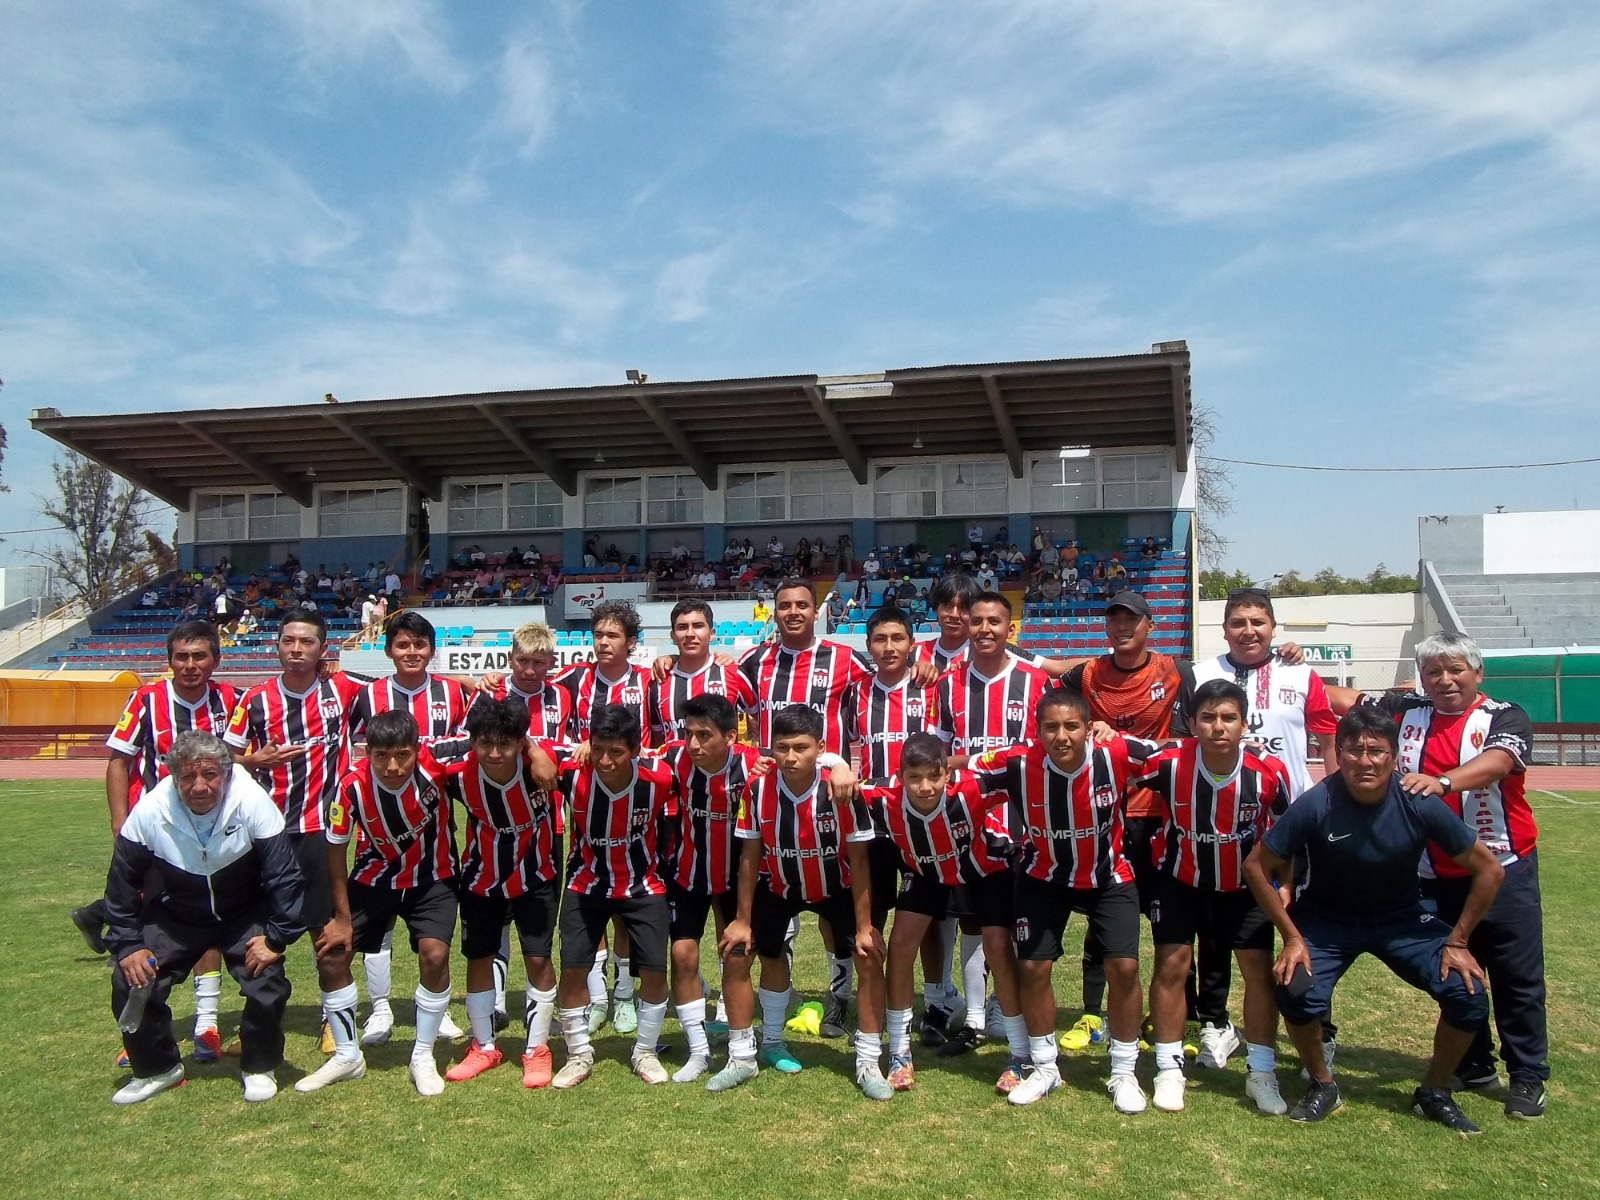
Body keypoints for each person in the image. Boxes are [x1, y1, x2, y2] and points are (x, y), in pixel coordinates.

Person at [1242, 707, 1505, 1131]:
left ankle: (1434, 1092)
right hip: (1328, 921)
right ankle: (1324, 1085)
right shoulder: (1318, 802)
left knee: (1468, 994)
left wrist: (1457, 942)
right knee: (1296, 990)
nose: (1365, 761)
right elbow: (1256, 865)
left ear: (1395, 755)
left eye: (1376, 751)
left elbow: (1490, 870)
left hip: (1402, 919)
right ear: (1339, 754)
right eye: (1354, 750)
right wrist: (1291, 936)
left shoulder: (1418, 800)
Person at [1344, 631, 1548, 1118]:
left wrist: (1444, 782)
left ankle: (1527, 1075)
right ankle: (1474, 1063)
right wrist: (1290, 660)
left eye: (1456, 669)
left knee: (1515, 976)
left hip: (1501, 866)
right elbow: (1343, 698)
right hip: (1430, 873)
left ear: (1477, 674)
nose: (1445, 679)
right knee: (1453, 969)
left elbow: (1499, 762)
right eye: (1434, 671)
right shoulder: (1407, 709)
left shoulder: (1504, 715)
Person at [971, 686, 1160, 1110]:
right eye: (1051, 727)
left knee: (1125, 967)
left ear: (1089, 729)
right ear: (1036, 731)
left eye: (1072, 726)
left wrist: (1243, 744)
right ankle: (1044, 1067)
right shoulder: (1017, 761)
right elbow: (954, 769)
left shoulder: (1116, 753)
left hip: (1108, 875)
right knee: (1034, 968)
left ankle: (1124, 1072)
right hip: (1044, 874)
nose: (1062, 736)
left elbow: (1175, 752)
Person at [71, 620, 239, 1065]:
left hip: (213, 833)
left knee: (210, 922)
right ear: (170, 661)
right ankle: (140, 1028)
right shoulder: (146, 700)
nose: (190, 665)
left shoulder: (232, 701)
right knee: (145, 933)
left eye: (199, 656)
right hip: (157, 838)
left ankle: (207, 1026)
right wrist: (119, 824)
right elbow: (118, 761)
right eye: (181, 657)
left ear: (215, 661)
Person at [1181, 587, 1335, 1069]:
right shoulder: (1202, 674)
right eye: (1238, 622)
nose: (1249, 630)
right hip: (1222, 818)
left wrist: (1334, 801)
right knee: (1215, 928)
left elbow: (1327, 739)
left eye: (1258, 622)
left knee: (1300, 925)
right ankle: (1216, 1024)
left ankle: (1319, 1026)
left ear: (1273, 627)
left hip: (1292, 820)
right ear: (1224, 628)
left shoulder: (1301, 672)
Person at [105, 731, 305, 1104]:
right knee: (130, 979)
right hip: (177, 913)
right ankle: (157, 1068)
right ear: (173, 777)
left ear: (226, 774)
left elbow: (284, 875)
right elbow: (121, 885)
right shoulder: (151, 810)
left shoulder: (250, 800)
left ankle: (259, 1065)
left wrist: (276, 938)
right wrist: (128, 944)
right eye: (187, 777)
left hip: (243, 912)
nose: (199, 786)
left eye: (210, 775)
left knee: (267, 980)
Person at [1131, 680, 1293, 1115]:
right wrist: (1105, 736)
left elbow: (1288, 833)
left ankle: (1261, 1073)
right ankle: (1168, 1068)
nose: (1218, 727)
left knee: (1257, 973)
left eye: (1228, 718)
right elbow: (1115, 761)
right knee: (1171, 965)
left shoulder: (1268, 771)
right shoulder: (1169, 762)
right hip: (1180, 879)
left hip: (1245, 887)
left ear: (1244, 723)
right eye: (1208, 717)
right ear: (1193, 723)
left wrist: (1288, 883)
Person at [223, 609, 364, 1089]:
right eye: (289, 641)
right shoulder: (255, 699)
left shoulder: (343, 692)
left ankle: (334, 1022)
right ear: (278, 647)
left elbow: (399, 686)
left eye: (307, 641)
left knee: (327, 935)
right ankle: (261, 1024)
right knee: (260, 933)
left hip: (323, 834)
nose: (297, 648)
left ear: (323, 649)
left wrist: (473, 684)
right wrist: (251, 759)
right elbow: (223, 754)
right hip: (267, 835)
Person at [715, 705, 885, 1098]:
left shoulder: (841, 790)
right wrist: (742, 919)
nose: (791, 757)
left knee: (869, 954)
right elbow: (748, 857)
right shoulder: (757, 789)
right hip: (779, 887)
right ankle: (748, 1055)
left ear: (820, 748)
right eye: (782, 748)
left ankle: (868, 1060)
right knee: (738, 952)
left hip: (836, 887)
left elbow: (859, 862)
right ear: (770, 749)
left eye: (801, 748)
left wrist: (863, 927)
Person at [1058, 590, 1197, 1054]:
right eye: (1114, 620)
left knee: (1169, 921)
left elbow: (1195, 731)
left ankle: (1174, 1015)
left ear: (1149, 626)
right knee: (1104, 918)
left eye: (1131, 621)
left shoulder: (1177, 671)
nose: (1122, 628)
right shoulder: (1088, 673)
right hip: (1108, 813)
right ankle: (1093, 1014)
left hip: (1160, 814)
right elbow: (1054, 700)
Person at [861, 733, 1019, 1093]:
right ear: (900, 777)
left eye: (934, 776)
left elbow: (1021, 758)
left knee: (996, 944)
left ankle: (1021, 1054)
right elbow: (837, 784)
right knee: (900, 944)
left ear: (947, 774)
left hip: (984, 869)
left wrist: (966, 761)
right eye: (914, 778)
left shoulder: (972, 789)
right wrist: (837, 767)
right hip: (926, 871)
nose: (925, 786)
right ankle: (900, 1052)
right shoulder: (883, 796)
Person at [344, 611, 472, 1046]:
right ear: (388, 650)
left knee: (433, 938)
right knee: (376, 933)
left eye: (420, 645)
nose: (412, 652)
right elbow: (354, 755)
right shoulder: (369, 695)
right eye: (402, 645)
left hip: (434, 833)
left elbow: (466, 748)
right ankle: (379, 1009)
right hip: (377, 839)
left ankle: (435, 1008)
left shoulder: (454, 693)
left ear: (432, 650)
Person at [535, 705, 677, 1087]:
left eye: (616, 751)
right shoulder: (572, 771)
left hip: (643, 885)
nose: (605, 760)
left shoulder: (659, 777)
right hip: (586, 884)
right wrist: (540, 751)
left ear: (635, 750)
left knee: (654, 970)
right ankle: (578, 1054)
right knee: (574, 968)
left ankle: (644, 1051)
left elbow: (703, 751)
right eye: (598, 749)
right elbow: (526, 741)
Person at [325, 710, 460, 1096]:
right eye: (382, 756)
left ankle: (422, 1054)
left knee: (434, 955)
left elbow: (493, 738)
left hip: (433, 879)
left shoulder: (435, 762)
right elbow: (335, 852)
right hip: (374, 880)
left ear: (418, 750)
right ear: (367, 752)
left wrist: (533, 749)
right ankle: (347, 1055)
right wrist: (341, 917)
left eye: (403, 754)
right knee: (333, 955)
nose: (393, 766)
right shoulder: (350, 787)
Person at [438, 697, 564, 1090]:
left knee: (538, 958)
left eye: (505, 744)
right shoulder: (455, 768)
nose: (494, 753)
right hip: (481, 875)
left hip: (536, 873)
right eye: (484, 744)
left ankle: (537, 1049)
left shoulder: (542, 761)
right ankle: (484, 1046)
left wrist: (537, 750)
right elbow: (411, 748)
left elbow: (595, 749)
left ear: (519, 741)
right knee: (479, 958)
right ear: (472, 741)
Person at [656, 694, 761, 1083]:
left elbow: (815, 762)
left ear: (732, 737)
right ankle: (698, 1052)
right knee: (682, 955)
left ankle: (740, 1053)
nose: (694, 744)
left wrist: (836, 767)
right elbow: (628, 752)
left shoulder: (754, 765)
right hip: (689, 874)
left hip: (738, 878)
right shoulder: (673, 757)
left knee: (735, 958)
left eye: (704, 735)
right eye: (689, 734)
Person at [647, 599, 757, 745]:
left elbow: (758, 719)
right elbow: (657, 737)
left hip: (725, 768)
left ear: (711, 634)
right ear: (673, 636)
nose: (690, 634)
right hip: (673, 767)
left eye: (698, 626)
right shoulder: (659, 680)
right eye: (682, 627)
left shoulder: (733, 673)